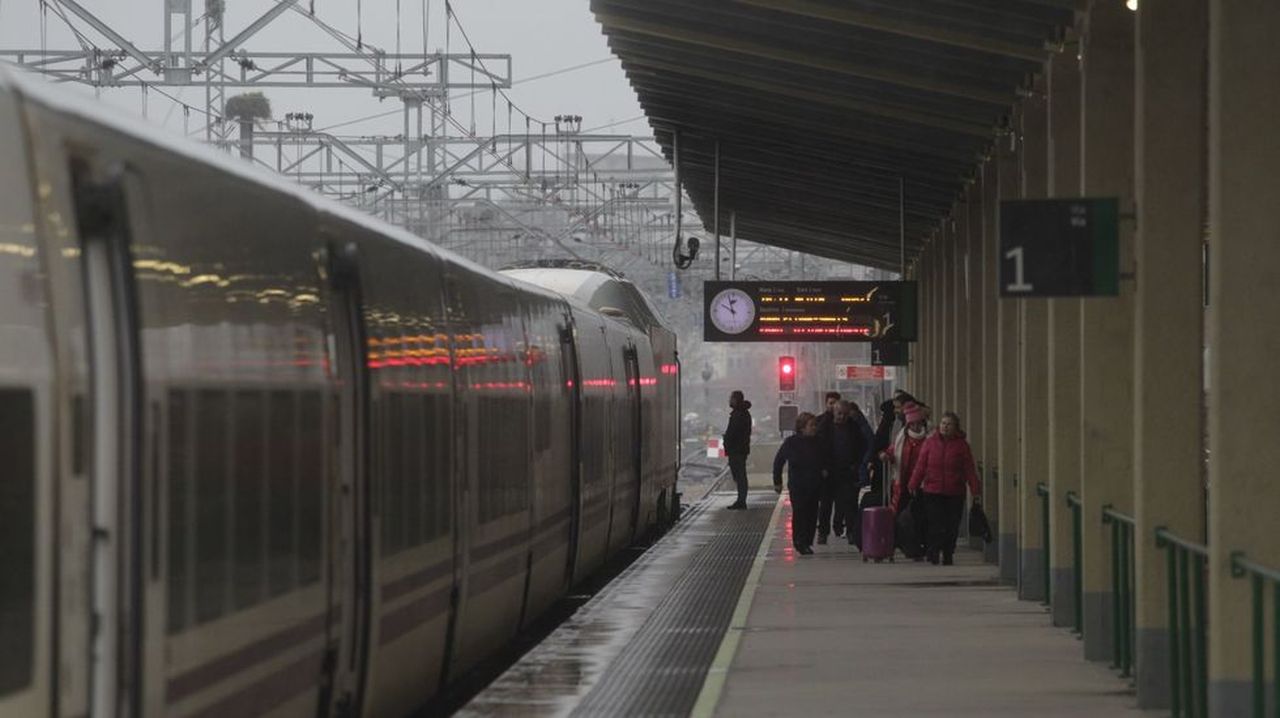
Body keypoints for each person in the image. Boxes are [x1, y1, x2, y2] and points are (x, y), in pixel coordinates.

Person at [907, 411, 981, 565]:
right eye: (943, 423)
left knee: (951, 525)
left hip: (954, 492)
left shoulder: (962, 446)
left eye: (949, 424)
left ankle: (948, 553)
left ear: (956, 428)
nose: (945, 427)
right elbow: (921, 466)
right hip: (932, 491)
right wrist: (913, 484)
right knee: (935, 523)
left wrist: (975, 490)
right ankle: (933, 552)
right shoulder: (930, 443)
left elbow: (969, 469)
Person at [772, 412, 824, 555]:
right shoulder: (791, 443)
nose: (814, 428)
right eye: (811, 425)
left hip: (815, 484)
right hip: (798, 486)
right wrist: (777, 481)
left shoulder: (818, 442)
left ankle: (808, 541)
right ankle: (799, 542)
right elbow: (779, 461)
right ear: (802, 427)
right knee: (800, 513)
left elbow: (825, 460)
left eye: (815, 425)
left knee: (812, 514)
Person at [884, 402, 929, 559]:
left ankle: (918, 545)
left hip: (923, 485)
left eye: (918, 423)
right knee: (901, 516)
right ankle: (906, 544)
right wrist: (886, 456)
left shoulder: (928, 439)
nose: (916, 426)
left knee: (919, 517)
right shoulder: (901, 438)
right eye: (912, 423)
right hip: (902, 484)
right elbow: (892, 451)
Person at [815, 391, 842, 541]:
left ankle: (839, 527)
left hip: (842, 467)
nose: (833, 406)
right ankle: (823, 531)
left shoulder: (847, 421)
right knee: (825, 503)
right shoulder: (820, 421)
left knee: (842, 501)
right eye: (830, 403)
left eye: (835, 403)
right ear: (826, 404)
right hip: (826, 469)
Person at [723, 390, 753, 510]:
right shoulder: (742, 413)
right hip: (740, 449)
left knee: (739, 475)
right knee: (739, 475)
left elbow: (734, 432)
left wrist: (727, 440)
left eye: (731, 398)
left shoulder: (738, 415)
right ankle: (741, 499)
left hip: (737, 450)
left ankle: (741, 501)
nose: (729, 400)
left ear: (736, 400)